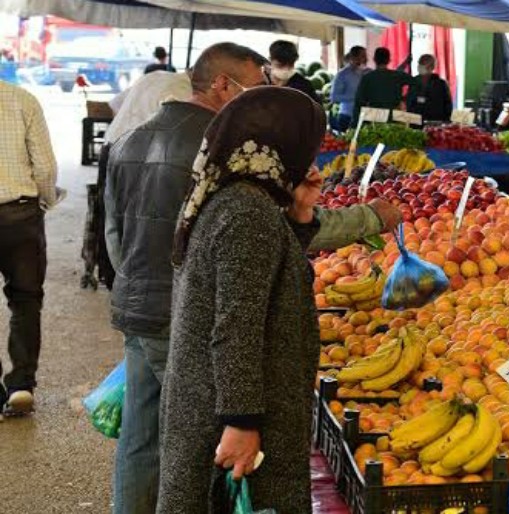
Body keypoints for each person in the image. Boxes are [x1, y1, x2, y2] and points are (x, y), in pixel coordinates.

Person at [105, 42, 269, 514]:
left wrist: (135, 284)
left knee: (140, 438)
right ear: (222, 85)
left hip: (136, 306)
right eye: (254, 90)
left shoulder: (129, 140)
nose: (259, 103)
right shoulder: (221, 148)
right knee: (190, 444)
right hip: (184, 318)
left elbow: (114, 237)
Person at [155, 87, 326, 513]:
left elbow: (265, 283)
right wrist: (241, 422)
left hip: (213, 402)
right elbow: (237, 326)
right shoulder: (249, 213)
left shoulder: (235, 198)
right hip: (227, 416)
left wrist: (300, 214)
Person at [0, 81, 57, 416]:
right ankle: (21, 384)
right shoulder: (23, 99)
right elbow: (45, 166)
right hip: (20, 216)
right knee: (26, 300)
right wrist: (45, 201)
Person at [353, 47, 416, 122]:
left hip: (374, 115)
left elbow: (359, 102)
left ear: (374, 59)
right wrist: (405, 98)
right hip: (393, 115)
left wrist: (355, 122)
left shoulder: (367, 78)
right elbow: (416, 84)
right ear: (389, 60)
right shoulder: (397, 76)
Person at [329, 46, 368, 131]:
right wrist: (355, 97)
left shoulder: (367, 72)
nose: (366, 59)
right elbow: (334, 97)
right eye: (363, 56)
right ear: (354, 57)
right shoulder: (343, 74)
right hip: (347, 116)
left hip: (365, 116)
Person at [406, 54, 453, 123]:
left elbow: (447, 105)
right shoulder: (414, 81)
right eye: (420, 63)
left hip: (435, 122)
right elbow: (409, 101)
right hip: (415, 122)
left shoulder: (441, 84)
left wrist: (446, 121)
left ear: (432, 67)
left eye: (424, 64)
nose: (421, 66)